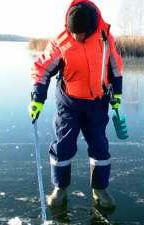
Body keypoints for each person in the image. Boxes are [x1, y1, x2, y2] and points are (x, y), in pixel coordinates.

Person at [28, 0, 123, 209]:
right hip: (69, 103)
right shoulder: (61, 42)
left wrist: (118, 94)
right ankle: (59, 188)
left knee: (99, 145)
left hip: (97, 103)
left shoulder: (105, 38)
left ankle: (100, 189)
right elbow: (42, 69)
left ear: (90, 29)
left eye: (80, 33)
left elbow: (115, 66)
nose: (76, 37)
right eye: (73, 33)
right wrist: (37, 99)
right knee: (63, 145)